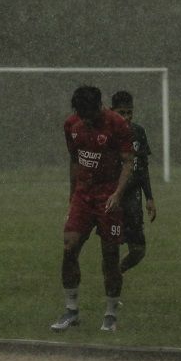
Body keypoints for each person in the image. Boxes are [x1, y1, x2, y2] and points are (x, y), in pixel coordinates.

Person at [51, 85, 134, 332]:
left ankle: (110, 313)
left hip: (108, 195)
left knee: (110, 256)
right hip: (83, 196)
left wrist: (118, 193)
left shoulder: (117, 124)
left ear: (100, 106)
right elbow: (75, 160)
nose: (85, 119)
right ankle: (71, 310)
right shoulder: (72, 125)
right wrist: (71, 196)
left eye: (90, 113)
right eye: (81, 114)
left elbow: (128, 162)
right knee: (69, 246)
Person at [110, 91, 157, 273]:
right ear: (112, 111)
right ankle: (112, 294)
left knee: (138, 251)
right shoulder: (107, 134)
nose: (126, 117)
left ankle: (116, 272)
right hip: (112, 196)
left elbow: (143, 167)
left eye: (130, 112)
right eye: (122, 112)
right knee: (111, 247)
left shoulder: (138, 132)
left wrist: (150, 198)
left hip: (133, 197)